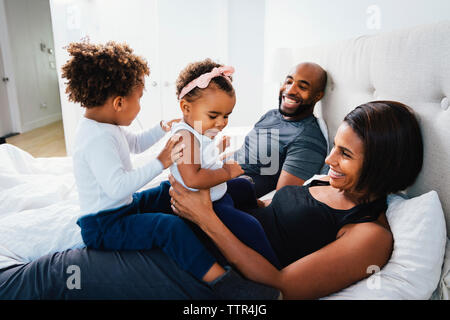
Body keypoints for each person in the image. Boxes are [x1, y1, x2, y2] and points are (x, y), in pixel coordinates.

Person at [61, 40, 278, 298]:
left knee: (166, 190)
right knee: (169, 228)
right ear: (119, 103)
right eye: (139, 99)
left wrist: (160, 127)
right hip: (104, 225)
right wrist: (162, 162)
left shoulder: (107, 126)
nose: (140, 105)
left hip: (121, 207)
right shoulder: (95, 138)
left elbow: (135, 144)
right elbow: (117, 186)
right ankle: (223, 282)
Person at [169, 100, 423, 299]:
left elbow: (282, 287)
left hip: (207, 266)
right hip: (207, 227)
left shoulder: (370, 235)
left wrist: (205, 219)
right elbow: (272, 210)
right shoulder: (327, 181)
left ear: (381, 165)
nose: (328, 160)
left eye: (344, 154)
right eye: (335, 146)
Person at [170, 58, 280, 268]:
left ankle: (258, 205)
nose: (221, 123)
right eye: (214, 115)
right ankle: (275, 269)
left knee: (245, 185)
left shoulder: (198, 130)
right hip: (205, 203)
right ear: (186, 107)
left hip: (216, 192)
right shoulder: (184, 137)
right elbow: (193, 178)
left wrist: (218, 152)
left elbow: (202, 160)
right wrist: (227, 172)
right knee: (250, 226)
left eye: (227, 116)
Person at [233, 62, 328, 197]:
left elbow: (282, 199)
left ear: (318, 96)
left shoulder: (307, 139)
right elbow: (244, 152)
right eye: (289, 82)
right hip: (217, 174)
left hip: (234, 190)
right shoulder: (271, 115)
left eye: (302, 87)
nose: (290, 90)